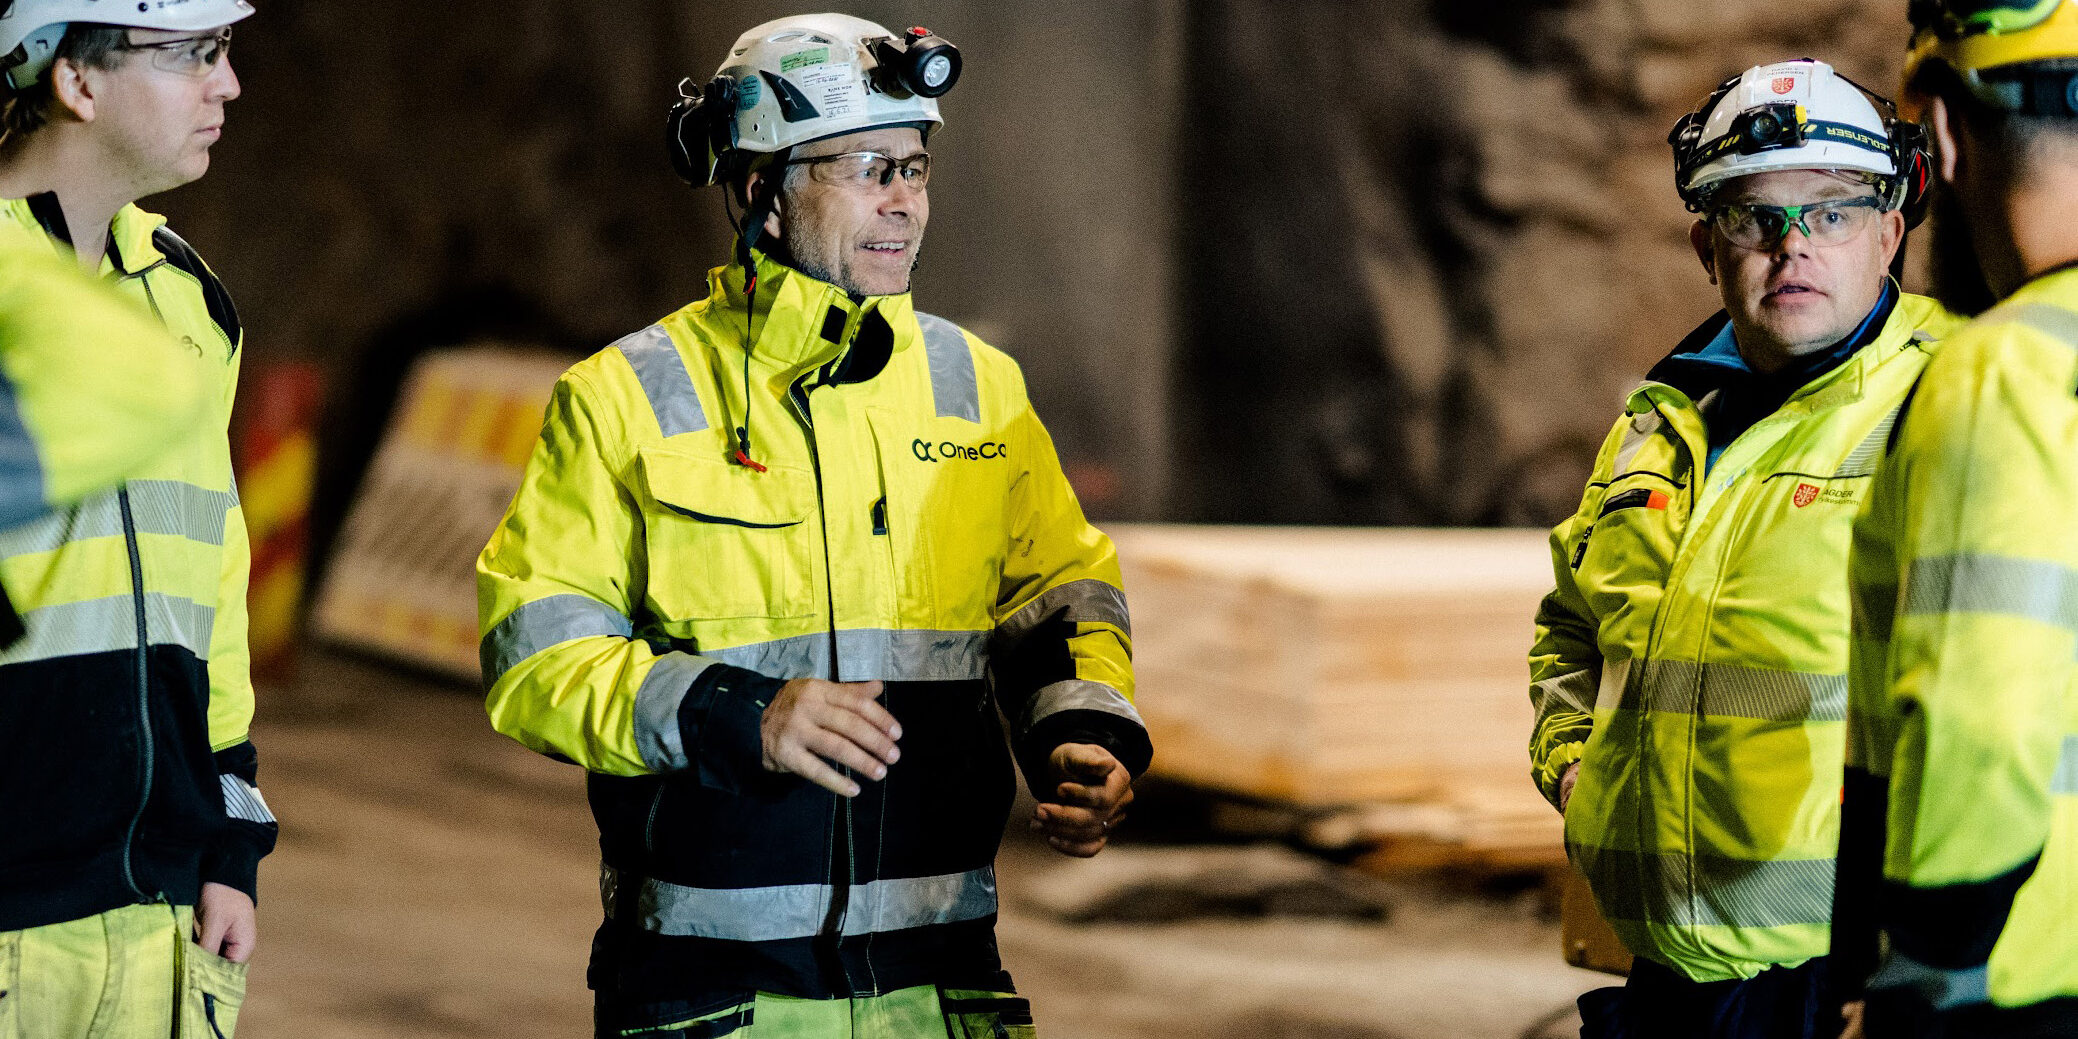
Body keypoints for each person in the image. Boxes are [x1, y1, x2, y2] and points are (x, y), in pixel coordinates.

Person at [478, 13, 1149, 1038]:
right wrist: (738, 713)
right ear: (761, 194)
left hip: (941, 985)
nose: (902, 203)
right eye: (865, 168)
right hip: (713, 996)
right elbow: (536, 659)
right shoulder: (622, 399)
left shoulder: (976, 387)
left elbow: (1055, 594)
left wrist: (1081, 728)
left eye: (915, 168)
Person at [1526, 58, 1961, 1038]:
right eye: (1750, 216)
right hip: (1665, 969)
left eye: (1831, 212)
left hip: (1843, 982)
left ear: (1888, 233)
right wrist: (1569, 764)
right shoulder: (1659, 426)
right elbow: (1568, 628)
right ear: (1703, 247)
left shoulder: (1942, 409)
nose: (1789, 245)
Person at [0, 1, 275, 1037]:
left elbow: (211, 583)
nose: (229, 84)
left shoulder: (188, 298)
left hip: (157, 908)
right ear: (77, 80)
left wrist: (228, 839)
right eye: (194, 55)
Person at [1838, 2, 2078, 1035]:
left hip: (2016, 978)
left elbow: (1982, 719)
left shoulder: (2005, 370)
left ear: (1934, 133)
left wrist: (1930, 972)